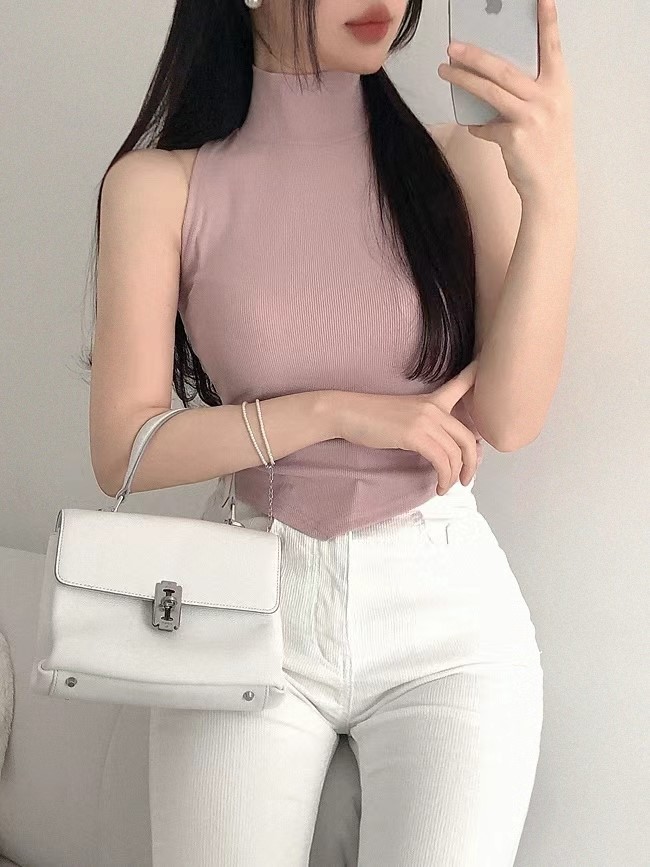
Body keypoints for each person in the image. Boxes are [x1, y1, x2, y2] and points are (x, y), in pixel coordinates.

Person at [86, 0, 578, 864]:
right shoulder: (159, 186)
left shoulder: (458, 161)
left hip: (446, 611)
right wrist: (337, 411)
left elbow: (509, 416)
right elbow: (124, 451)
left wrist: (552, 192)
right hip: (249, 595)